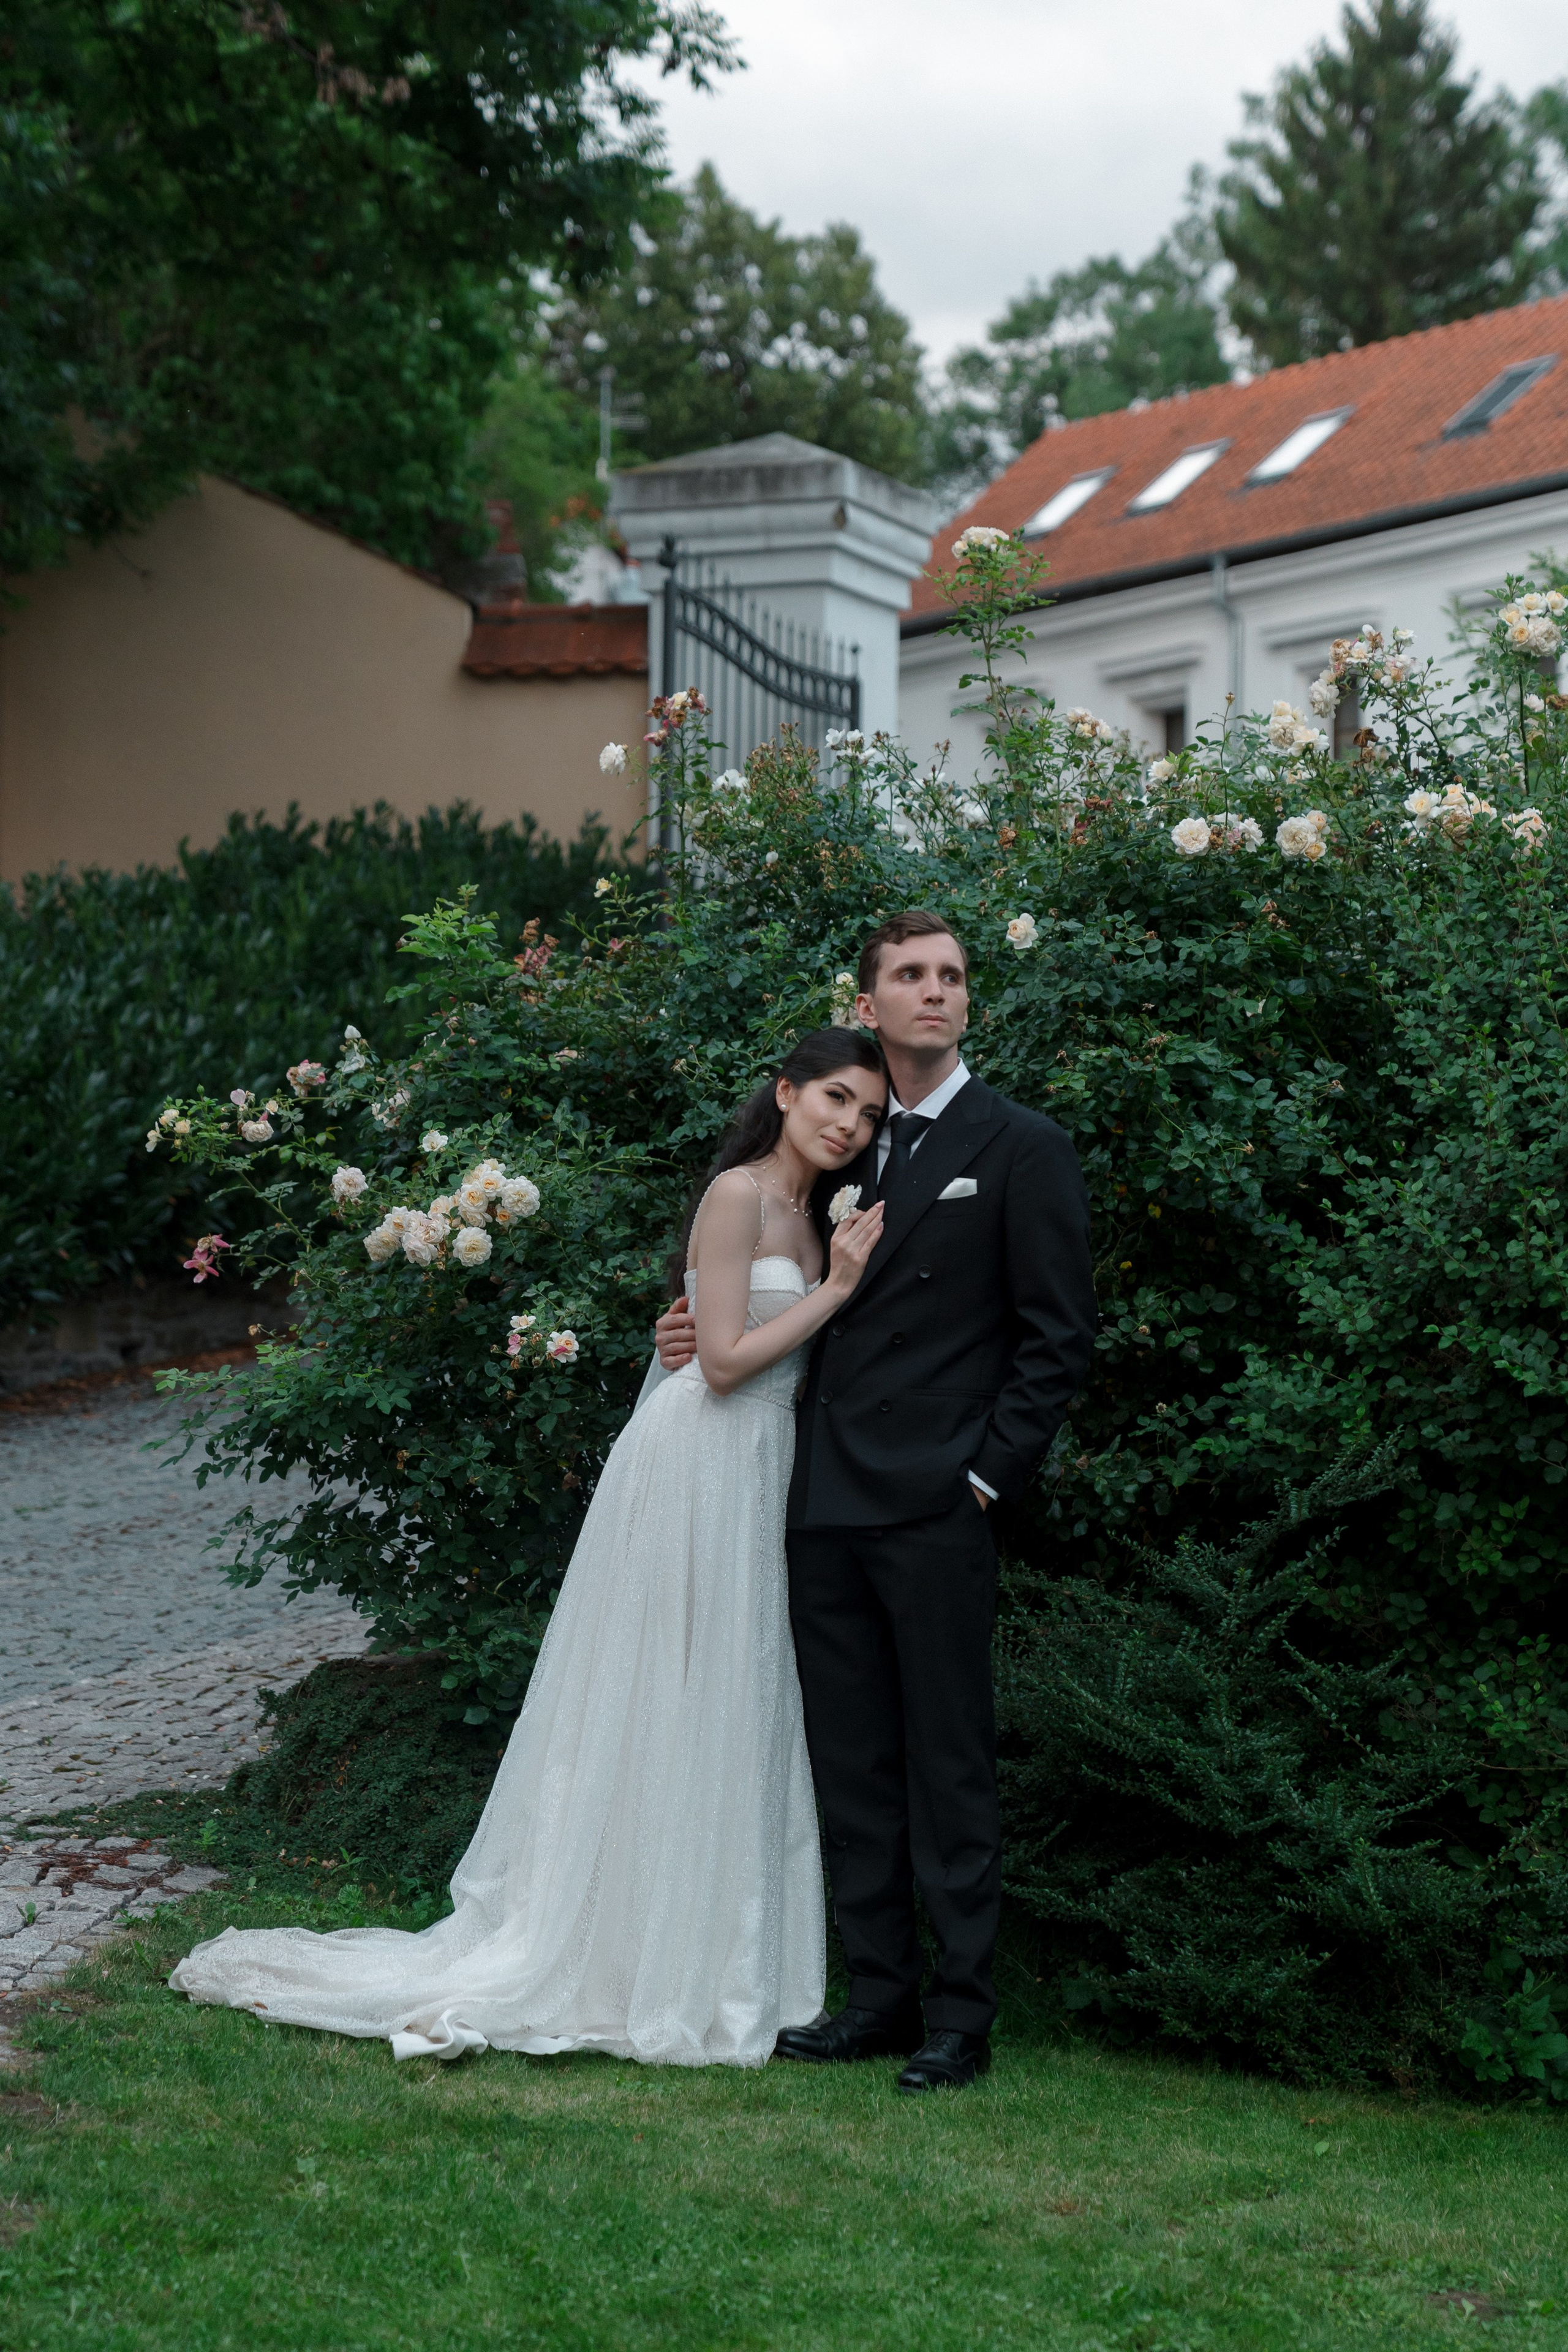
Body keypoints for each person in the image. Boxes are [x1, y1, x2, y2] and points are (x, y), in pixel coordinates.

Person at [170, 1030, 889, 2069]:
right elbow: (726, 1363)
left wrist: (818, 1288)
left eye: (865, 1114)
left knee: (724, 1700)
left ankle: (697, 1946)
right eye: (833, 1098)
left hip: (758, 1468)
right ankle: (610, 1945)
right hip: (701, 1462)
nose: (847, 1124)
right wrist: (834, 1292)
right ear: (784, 1093)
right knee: (662, 1694)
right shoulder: (737, 1195)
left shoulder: (816, 1212)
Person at [655, 911, 1096, 2091]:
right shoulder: (849, 1147)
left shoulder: (1021, 1145)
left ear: (967, 1003)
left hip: (939, 1503)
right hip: (816, 1498)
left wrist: (986, 1478)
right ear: (872, 998)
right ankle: (880, 1998)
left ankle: (961, 2015)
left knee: (947, 1760)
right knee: (849, 1760)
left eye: (953, 975)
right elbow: (767, 1294)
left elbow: (1056, 1340)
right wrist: (687, 1333)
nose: (935, 992)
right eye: (910, 975)